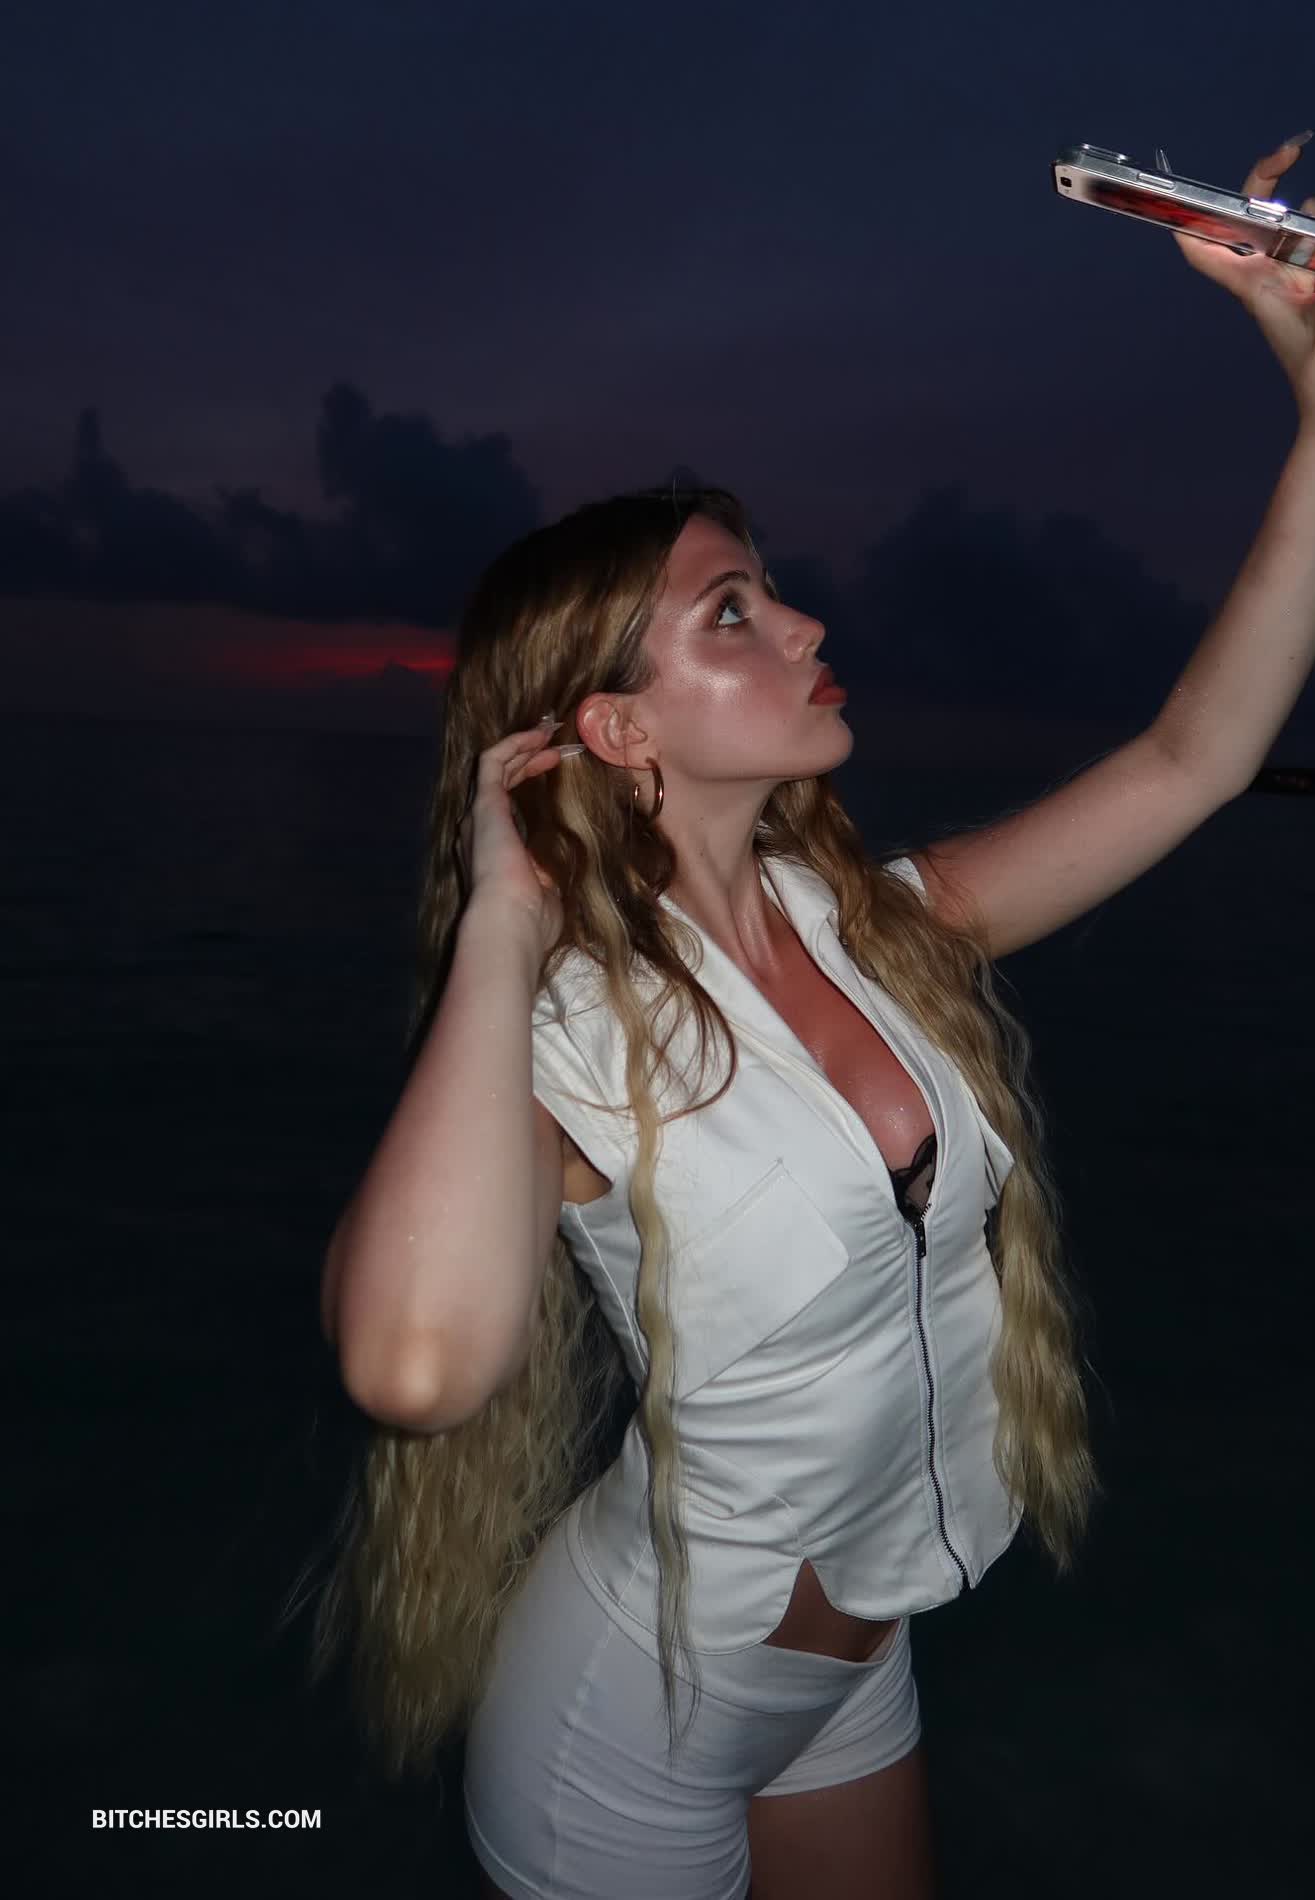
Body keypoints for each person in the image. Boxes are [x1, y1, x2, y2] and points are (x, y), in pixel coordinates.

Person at [308, 483, 1099, 1898]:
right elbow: (414, 1368)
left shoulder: (875, 929)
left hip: (853, 1669)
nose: (805, 624)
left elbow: (1196, 758)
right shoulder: (567, 1035)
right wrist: (503, 923)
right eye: (732, 609)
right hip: (630, 1722)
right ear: (619, 730)